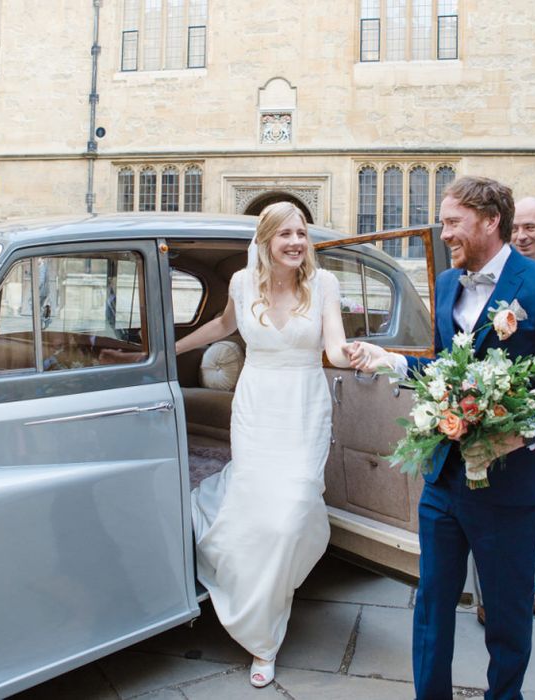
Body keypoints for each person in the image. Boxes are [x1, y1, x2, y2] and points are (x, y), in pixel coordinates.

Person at [349, 176, 535, 700]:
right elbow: (447, 367)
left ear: (490, 221)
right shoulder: (445, 287)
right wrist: (392, 361)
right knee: (432, 608)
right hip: (444, 478)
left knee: (507, 617)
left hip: (511, 487)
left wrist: (524, 433)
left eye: (452, 222)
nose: (444, 234)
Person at [176, 201, 355, 688]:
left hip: (303, 407)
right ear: (266, 241)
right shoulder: (240, 282)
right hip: (255, 406)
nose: (297, 242)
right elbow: (224, 325)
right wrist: (169, 350)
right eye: (286, 235)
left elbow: (334, 345)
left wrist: (358, 355)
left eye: (302, 233)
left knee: (291, 512)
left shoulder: (324, 285)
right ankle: (265, 640)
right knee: (258, 509)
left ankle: (262, 609)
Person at [473, 196, 535, 625]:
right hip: (499, 410)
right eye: (515, 229)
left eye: (530, 228)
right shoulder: (497, 275)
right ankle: (486, 598)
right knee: (483, 499)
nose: (521, 236)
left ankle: (523, 588)